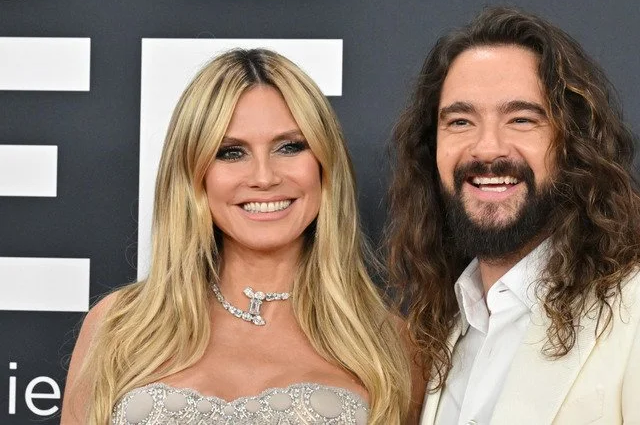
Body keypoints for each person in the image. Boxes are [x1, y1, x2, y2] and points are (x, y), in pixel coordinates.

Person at [385, 7, 640, 424]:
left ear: (573, 144)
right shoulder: (442, 334)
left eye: (522, 119)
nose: (487, 148)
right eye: (461, 121)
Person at [62, 48, 421, 424]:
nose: (264, 177)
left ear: (324, 162)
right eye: (231, 153)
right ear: (194, 173)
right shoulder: (119, 326)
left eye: (289, 147)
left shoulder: (387, 343)